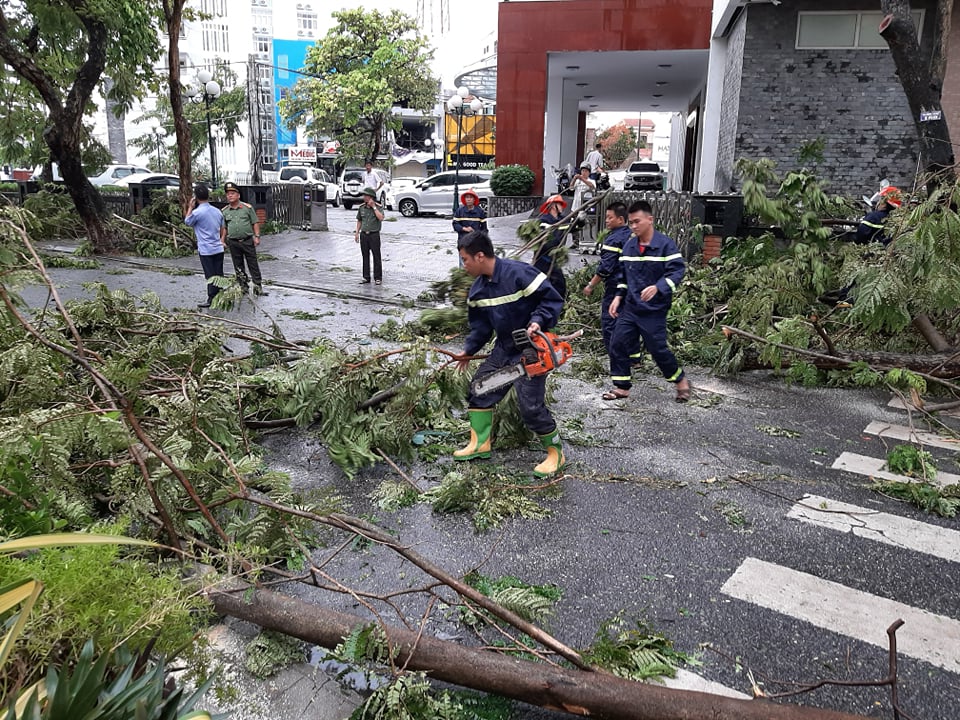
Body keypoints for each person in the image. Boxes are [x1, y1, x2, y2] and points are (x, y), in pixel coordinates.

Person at [453, 229, 567, 477]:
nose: (464, 265)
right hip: (505, 348)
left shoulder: (519, 274)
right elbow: (481, 328)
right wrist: (468, 351)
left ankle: (555, 453)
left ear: (480, 256)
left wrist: (538, 320)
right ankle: (480, 444)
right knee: (480, 389)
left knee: (531, 407)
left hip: (532, 349)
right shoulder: (478, 291)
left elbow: (551, 299)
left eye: (465, 259)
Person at [604, 200, 691, 403]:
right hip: (630, 308)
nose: (634, 226)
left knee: (657, 349)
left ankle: (681, 381)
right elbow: (624, 278)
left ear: (650, 220)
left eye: (637, 222)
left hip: (654, 310)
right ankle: (622, 387)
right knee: (617, 343)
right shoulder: (629, 247)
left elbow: (678, 270)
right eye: (631, 223)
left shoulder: (665, 245)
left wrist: (658, 287)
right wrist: (617, 297)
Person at [582, 201, 640, 362]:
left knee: (610, 322)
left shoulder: (613, 240)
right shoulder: (633, 236)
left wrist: (590, 285)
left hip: (616, 289)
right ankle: (635, 360)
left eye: (610, 217)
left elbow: (605, 268)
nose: (606, 221)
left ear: (620, 219)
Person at [221, 181, 267, 296]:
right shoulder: (225, 211)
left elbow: (255, 222)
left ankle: (257, 287)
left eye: (232, 193)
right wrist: (222, 240)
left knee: (253, 264)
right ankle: (243, 287)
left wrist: (257, 236)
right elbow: (224, 227)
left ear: (238, 195)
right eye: (228, 194)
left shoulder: (247, 208)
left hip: (247, 240)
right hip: (233, 242)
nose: (230, 195)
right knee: (238, 265)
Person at [184, 184, 225, 308]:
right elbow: (223, 227)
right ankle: (221, 296)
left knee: (210, 275)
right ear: (208, 195)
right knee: (219, 273)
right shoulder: (217, 211)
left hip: (206, 249)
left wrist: (190, 207)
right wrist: (222, 240)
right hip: (218, 247)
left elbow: (187, 221)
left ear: (196, 197)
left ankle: (211, 299)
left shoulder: (197, 213)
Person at [535, 194, 573, 298]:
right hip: (543, 259)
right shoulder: (543, 222)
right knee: (550, 284)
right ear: (553, 206)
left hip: (554, 259)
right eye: (560, 204)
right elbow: (546, 243)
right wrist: (557, 246)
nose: (562, 207)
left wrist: (581, 221)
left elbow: (573, 227)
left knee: (558, 284)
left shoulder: (563, 219)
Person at [354, 186, 384, 285]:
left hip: (374, 234)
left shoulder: (378, 207)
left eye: (366, 196)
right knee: (365, 256)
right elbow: (359, 220)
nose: (364, 197)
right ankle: (366, 277)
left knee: (376, 256)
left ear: (371, 197)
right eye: (364, 196)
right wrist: (357, 232)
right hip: (364, 234)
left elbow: (381, 218)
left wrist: (374, 207)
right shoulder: (362, 207)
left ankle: (377, 277)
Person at [567, 164, 596, 248]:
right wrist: (574, 178)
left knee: (584, 224)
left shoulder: (592, 181)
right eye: (582, 171)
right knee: (573, 224)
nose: (584, 173)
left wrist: (582, 178)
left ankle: (585, 240)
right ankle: (575, 242)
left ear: (589, 173)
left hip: (586, 207)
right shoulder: (577, 181)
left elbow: (592, 187)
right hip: (575, 206)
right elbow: (571, 188)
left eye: (586, 171)